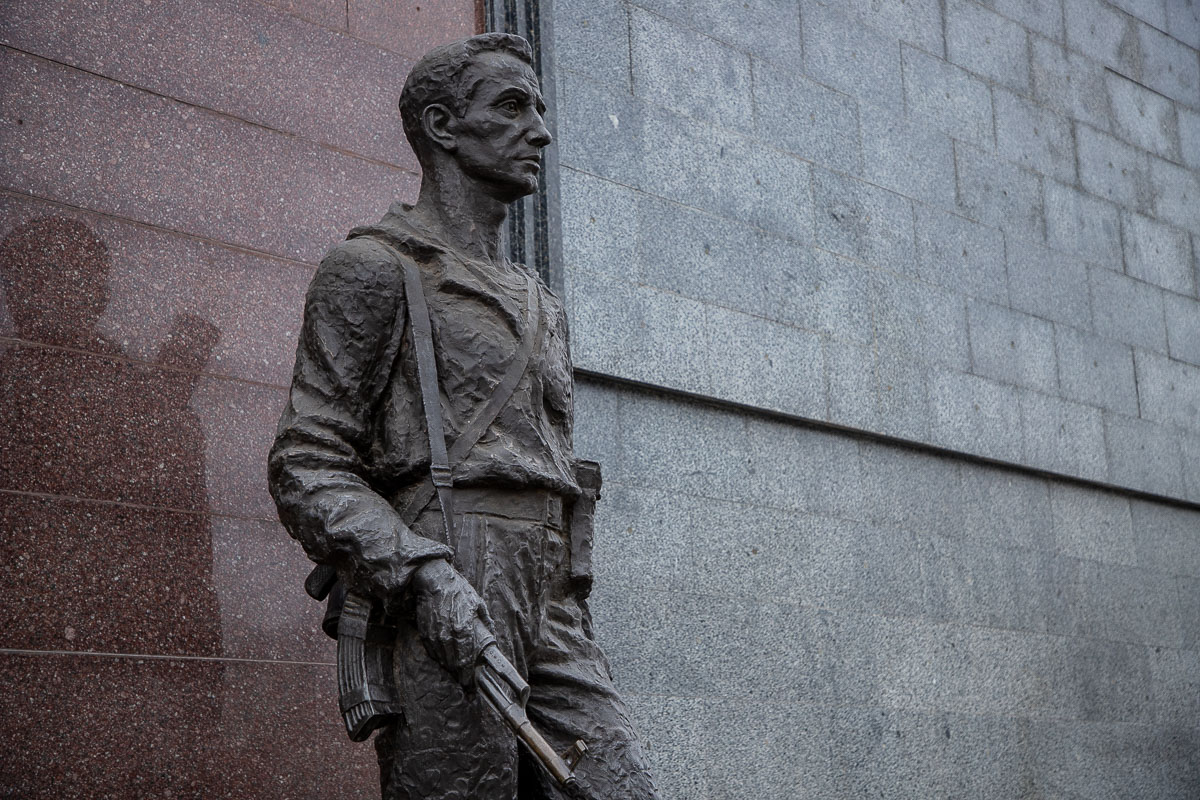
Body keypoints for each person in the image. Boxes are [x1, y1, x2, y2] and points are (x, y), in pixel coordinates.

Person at [268, 33, 659, 799]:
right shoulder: (374, 268)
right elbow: (306, 461)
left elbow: (556, 463)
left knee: (621, 784)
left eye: (539, 109)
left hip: (547, 589)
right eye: (511, 107)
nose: (540, 131)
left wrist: (563, 593)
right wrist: (420, 575)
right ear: (444, 126)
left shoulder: (542, 302)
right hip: (449, 563)